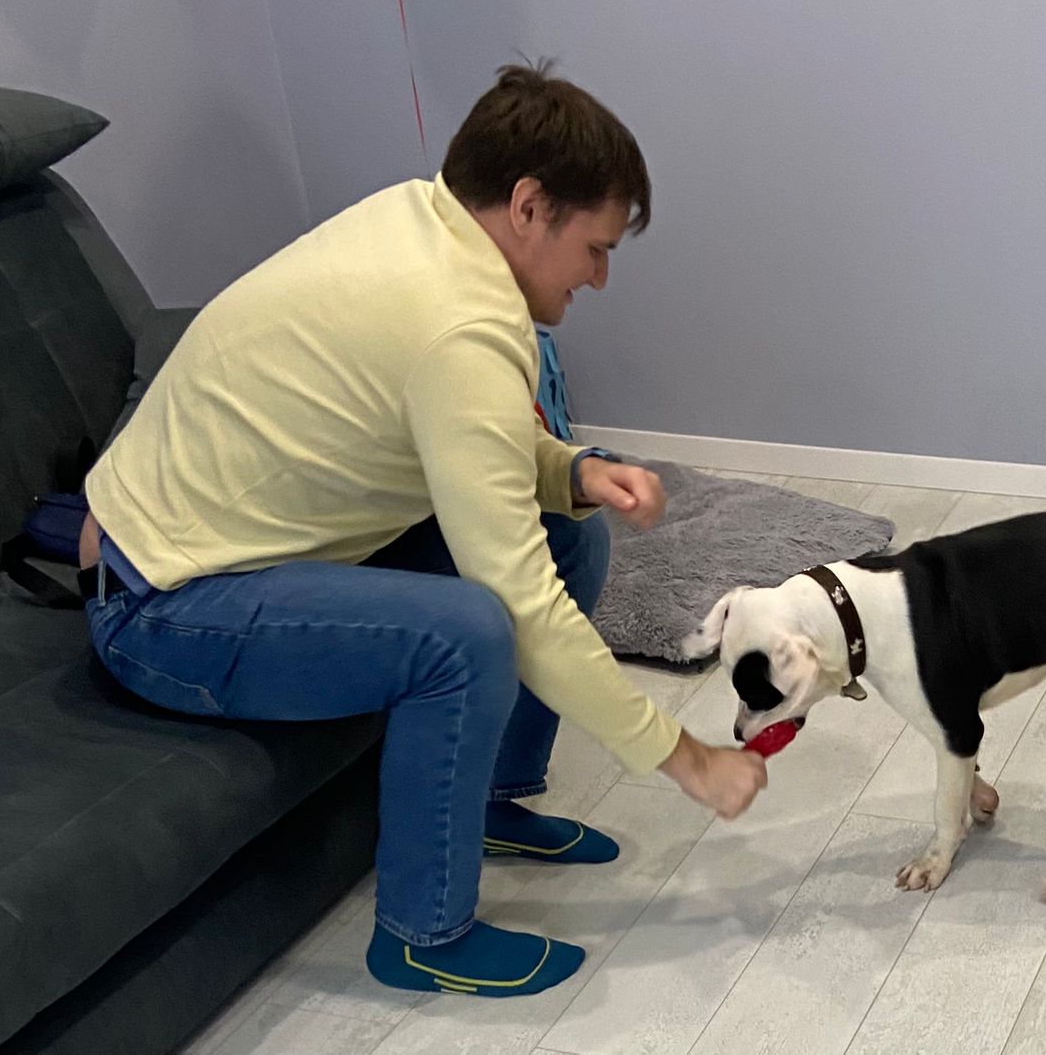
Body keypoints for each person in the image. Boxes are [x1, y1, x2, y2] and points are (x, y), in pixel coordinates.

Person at [76, 63, 767, 997]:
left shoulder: (426, 222)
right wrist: (687, 760)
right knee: (470, 634)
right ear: (528, 206)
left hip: (227, 550)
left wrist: (569, 471)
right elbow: (519, 601)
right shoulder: (457, 322)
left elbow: (462, 429)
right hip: (162, 601)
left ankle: (492, 803)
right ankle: (421, 935)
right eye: (596, 248)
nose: (600, 277)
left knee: (572, 532)